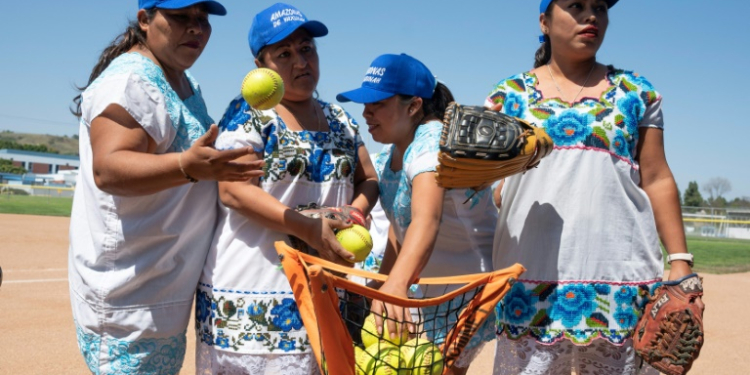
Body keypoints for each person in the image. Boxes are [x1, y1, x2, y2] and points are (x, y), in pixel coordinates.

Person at [486, 1, 702, 374]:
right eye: (576, 6)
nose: (591, 17)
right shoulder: (507, 97)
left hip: (620, 278)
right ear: (544, 21)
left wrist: (681, 262)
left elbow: (656, 177)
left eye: (600, 7)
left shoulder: (636, 93)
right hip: (530, 279)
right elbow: (492, 184)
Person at [68, 1, 265, 374]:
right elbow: (109, 168)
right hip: (131, 297)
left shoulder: (183, 81)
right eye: (180, 17)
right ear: (145, 20)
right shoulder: (129, 81)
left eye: (203, 19)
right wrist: (186, 168)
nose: (196, 28)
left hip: (160, 291)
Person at [194, 3, 379, 374]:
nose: (301, 62)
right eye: (284, 53)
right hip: (254, 292)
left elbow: (368, 178)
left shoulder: (339, 118)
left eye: (307, 49)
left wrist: (352, 212)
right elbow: (232, 191)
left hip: (323, 289)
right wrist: (304, 225)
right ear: (261, 66)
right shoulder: (248, 113)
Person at [337, 53, 497, 375]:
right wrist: (378, 289)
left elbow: (427, 219)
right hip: (429, 287)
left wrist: (395, 287)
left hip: (470, 287)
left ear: (413, 107)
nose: (366, 112)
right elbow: (399, 230)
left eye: (378, 103)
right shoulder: (386, 159)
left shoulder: (431, 142)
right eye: (365, 104)